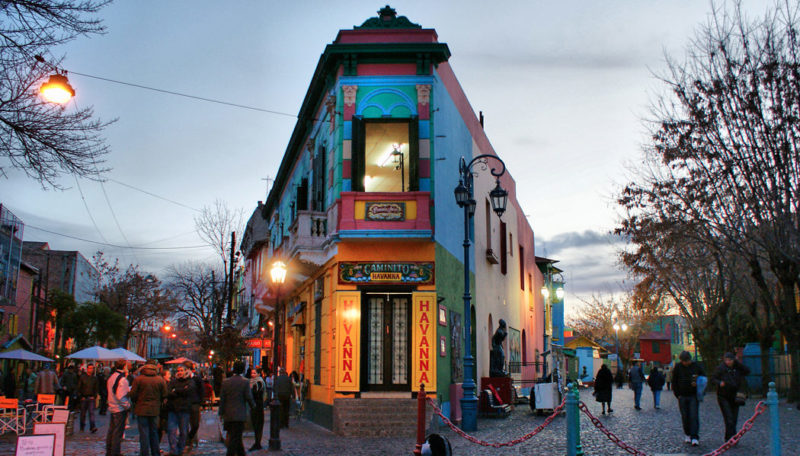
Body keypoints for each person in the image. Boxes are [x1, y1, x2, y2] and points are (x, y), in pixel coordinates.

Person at [711, 352, 751, 442]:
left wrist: (738, 364)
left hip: (735, 396)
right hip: (723, 396)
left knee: (734, 418)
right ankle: (730, 438)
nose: (728, 362)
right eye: (726, 360)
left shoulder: (738, 368)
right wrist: (719, 383)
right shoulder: (721, 368)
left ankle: (731, 436)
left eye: (730, 360)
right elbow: (713, 379)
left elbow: (747, 371)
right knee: (728, 417)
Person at [130, 359, 167, 456]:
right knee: (154, 432)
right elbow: (165, 394)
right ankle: (155, 452)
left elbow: (133, 394)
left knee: (144, 433)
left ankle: (144, 453)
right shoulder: (160, 379)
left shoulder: (138, 379)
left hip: (141, 408)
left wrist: (137, 401)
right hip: (154, 410)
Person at [219, 361, 255, 456]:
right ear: (243, 369)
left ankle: (241, 453)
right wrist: (254, 407)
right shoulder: (245, 382)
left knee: (235, 436)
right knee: (235, 437)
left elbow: (222, 399)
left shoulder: (226, 382)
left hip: (229, 414)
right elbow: (249, 397)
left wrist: (221, 413)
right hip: (239, 414)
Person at [673, 350, 705, 447]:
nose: (686, 363)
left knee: (693, 416)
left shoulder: (696, 366)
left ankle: (694, 436)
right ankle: (687, 434)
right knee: (685, 416)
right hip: (682, 395)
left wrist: (698, 384)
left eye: (687, 361)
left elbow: (703, 377)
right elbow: (674, 381)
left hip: (693, 395)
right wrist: (677, 394)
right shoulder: (678, 367)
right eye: (684, 361)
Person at [166, 364, 196, 456]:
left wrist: (176, 391)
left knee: (183, 431)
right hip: (173, 409)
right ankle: (173, 450)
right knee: (171, 431)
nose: (179, 372)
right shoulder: (173, 381)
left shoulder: (190, 382)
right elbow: (168, 392)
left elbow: (189, 391)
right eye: (178, 371)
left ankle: (180, 448)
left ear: (185, 371)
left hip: (184, 409)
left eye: (181, 370)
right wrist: (181, 391)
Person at [106, 360, 132, 456]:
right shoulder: (122, 379)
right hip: (119, 408)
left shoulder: (112, 377)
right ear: (124, 366)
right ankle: (115, 452)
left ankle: (109, 451)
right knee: (117, 433)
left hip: (112, 406)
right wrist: (127, 405)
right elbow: (120, 396)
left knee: (111, 431)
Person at [184, 361, 204, 451]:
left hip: (195, 404)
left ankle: (190, 438)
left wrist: (200, 402)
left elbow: (201, 390)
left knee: (195, 424)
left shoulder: (196, 378)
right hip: (184, 404)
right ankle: (187, 442)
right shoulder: (182, 379)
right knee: (184, 425)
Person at [77, 363, 99, 433]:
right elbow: (79, 388)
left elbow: (96, 388)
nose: (91, 370)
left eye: (92, 368)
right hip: (84, 397)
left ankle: (92, 427)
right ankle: (82, 427)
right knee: (83, 413)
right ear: (87, 369)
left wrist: (94, 396)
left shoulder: (94, 378)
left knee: (91, 413)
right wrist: (81, 396)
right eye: (89, 368)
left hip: (91, 398)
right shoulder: (82, 377)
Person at [248, 368, 266, 451]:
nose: (252, 375)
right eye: (252, 373)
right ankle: (257, 442)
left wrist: (251, 389)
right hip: (255, 406)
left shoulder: (259, 382)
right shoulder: (252, 382)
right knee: (256, 425)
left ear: (258, 374)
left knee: (258, 424)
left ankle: (257, 443)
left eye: (254, 373)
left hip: (258, 406)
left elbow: (257, 394)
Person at [159, 368, 172, 443]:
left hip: (165, 408)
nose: (170, 376)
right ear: (164, 376)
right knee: (160, 427)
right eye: (168, 374)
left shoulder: (169, 383)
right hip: (162, 409)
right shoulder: (163, 384)